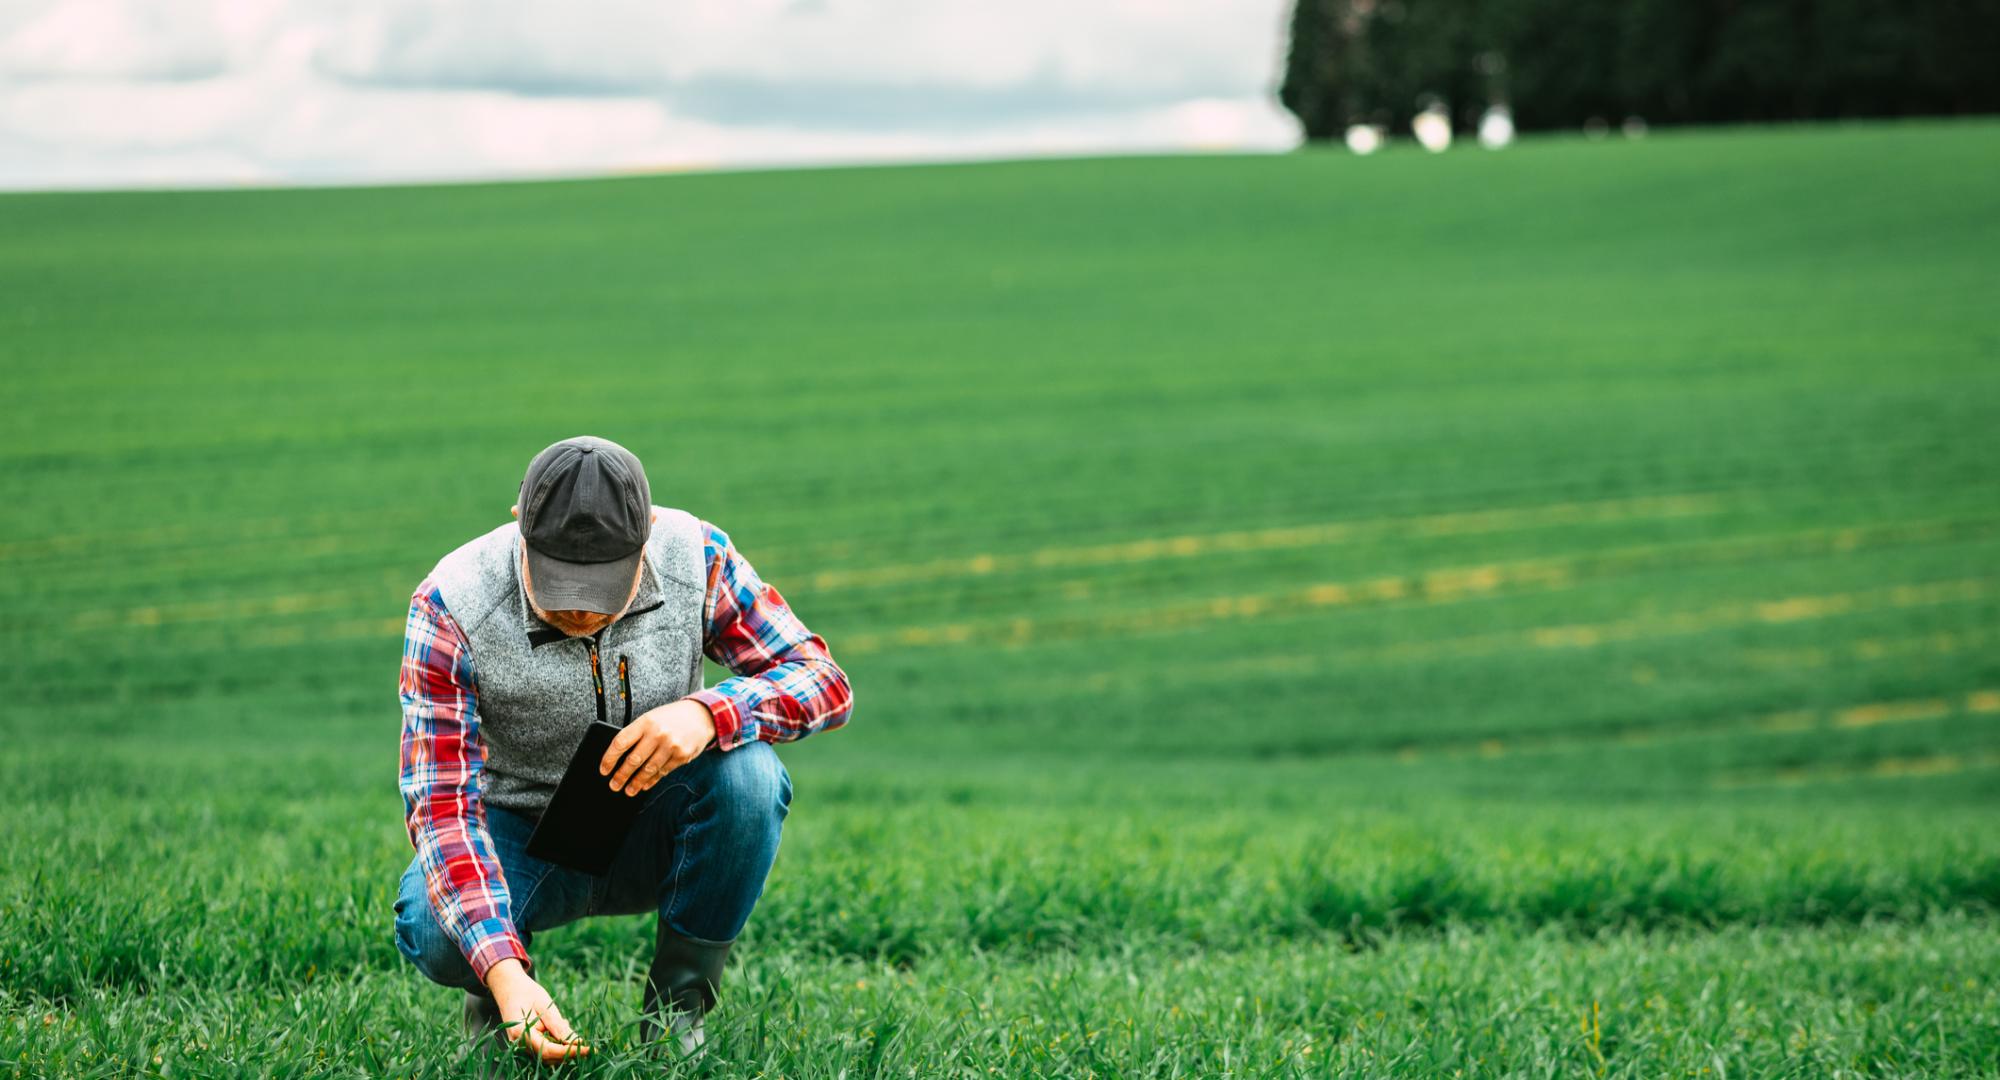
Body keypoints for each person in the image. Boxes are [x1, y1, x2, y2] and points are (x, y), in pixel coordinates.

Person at [391, 435, 852, 1062]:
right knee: (428, 921)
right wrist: (502, 971)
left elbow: (823, 681)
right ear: (518, 527)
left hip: (651, 827)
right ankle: (504, 1003)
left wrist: (707, 713)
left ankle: (675, 1018)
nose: (581, 608)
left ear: (648, 534)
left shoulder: (699, 556)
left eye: (604, 582)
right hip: (519, 841)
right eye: (557, 579)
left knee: (751, 777)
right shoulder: (452, 605)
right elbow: (441, 804)